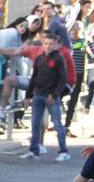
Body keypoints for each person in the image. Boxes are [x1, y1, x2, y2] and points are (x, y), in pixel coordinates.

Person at [18, 33, 72, 162]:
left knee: (58, 124)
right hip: (38, 94)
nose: (48, 46)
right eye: (46, 43)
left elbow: (62, 79)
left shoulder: (59, 58)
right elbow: (34, 78)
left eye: (51, 44)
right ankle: (33, 150)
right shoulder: (39, 59)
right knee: (35, 124)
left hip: (51, 96)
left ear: (56, 45)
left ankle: (64, 151)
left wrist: (54, 94)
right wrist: (28, 96)